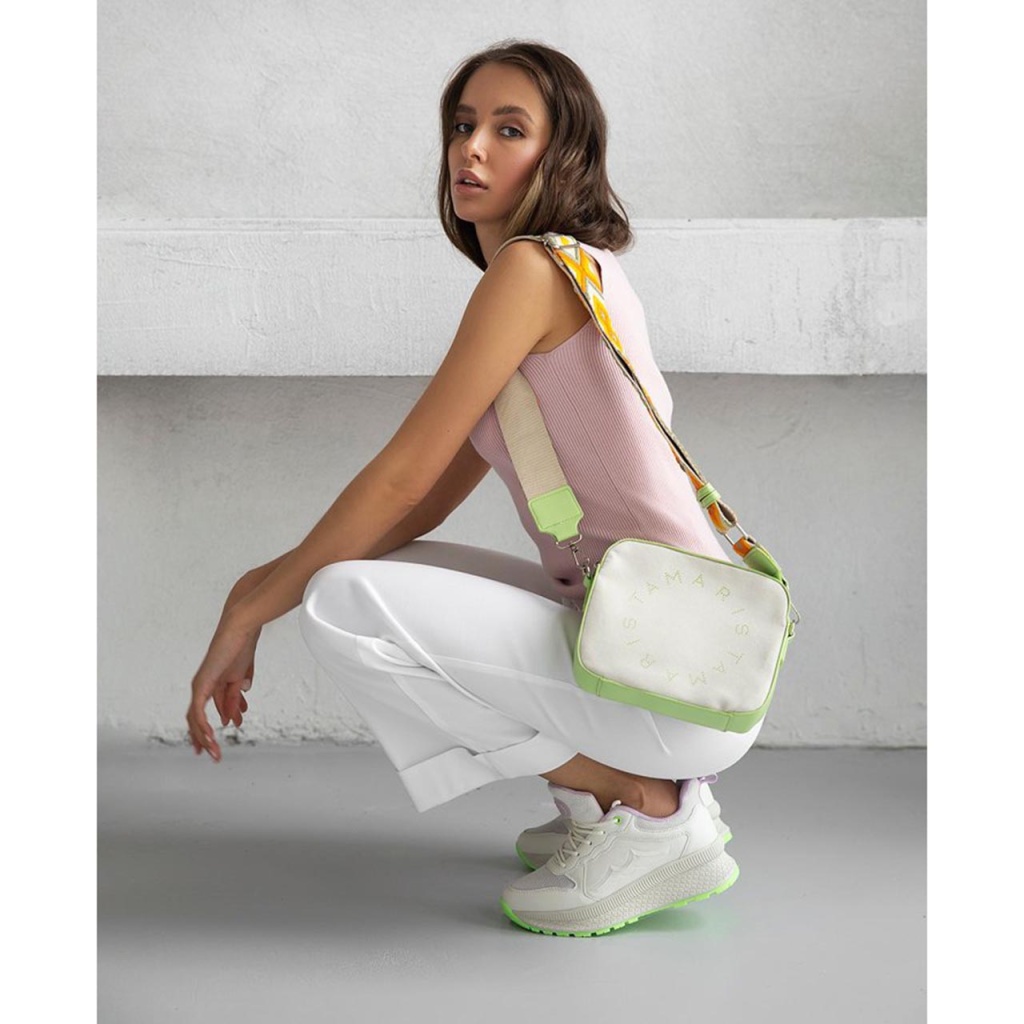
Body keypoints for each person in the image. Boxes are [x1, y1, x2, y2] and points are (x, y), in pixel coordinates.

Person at [185, 39, 763, 938]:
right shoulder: (574, 270)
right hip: (664, 646)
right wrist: (256, 583)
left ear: (560, 154)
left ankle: (644, 807)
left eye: (509, 129)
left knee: (342, 602)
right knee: (379, 570)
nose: (472, 149)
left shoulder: (530, 273)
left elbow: (402, 475)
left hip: (669, 675)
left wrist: (254, 608)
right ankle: (607, 800)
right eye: (463, 126)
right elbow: (426, 498)